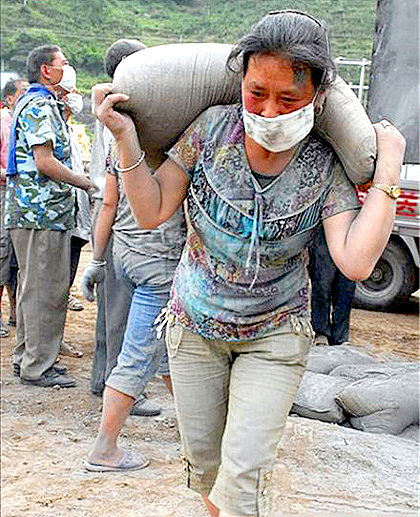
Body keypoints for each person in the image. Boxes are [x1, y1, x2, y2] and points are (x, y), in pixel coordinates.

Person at [92, 10, 405, 517]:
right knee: (209, 470)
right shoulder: (211, 131)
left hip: (275, 334)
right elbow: (150, 212)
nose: (269, 111)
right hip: (193, 329)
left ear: (318, 97)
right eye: (257, 93)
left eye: (289, 99)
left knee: (244, 476)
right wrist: (124, 137)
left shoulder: (323, 165)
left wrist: (389, 163)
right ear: (240, 82)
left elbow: (356, 261)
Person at [81, 131, 186, 471]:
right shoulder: (178, 142)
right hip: (159, 262)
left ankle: (196, 430)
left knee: (170, 351)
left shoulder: (122, 143)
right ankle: (104, 449)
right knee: (137, 356)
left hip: (124, 255)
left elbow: (108, 203)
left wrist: (97, 260)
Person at [4, 44, 93, 388]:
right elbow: (45, 162)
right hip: (41, 211)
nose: (67, 68)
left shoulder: (34, 102)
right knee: (45, 291)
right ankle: (37, 367)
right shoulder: (40, 105)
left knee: (32, 288)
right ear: (46, 70)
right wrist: (86, 183)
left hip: (31, 211)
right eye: (63, 63)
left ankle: (27, 357)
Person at [88, 39, 162, 418]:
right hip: (131, 226)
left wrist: (97, 257)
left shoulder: (105, 106)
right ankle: (121, 389)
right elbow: (112, 197)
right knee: (125, 317)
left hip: (115, 222)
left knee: (110, 313)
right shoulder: (131, 113)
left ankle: (102, 379)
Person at [0, 78, 27, 338]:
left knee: (15, 258)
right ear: (9, 99)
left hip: (17, 193)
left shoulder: (25, 119)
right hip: (4, 191)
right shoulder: (2, 122)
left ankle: (14, 312)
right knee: (2, 252)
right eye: (22, 92)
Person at [309, 224, 356, 346]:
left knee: (346, 290)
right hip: (326, 229)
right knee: (322, 285)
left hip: (351, 232)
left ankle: (340, 336)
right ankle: (321, 332)